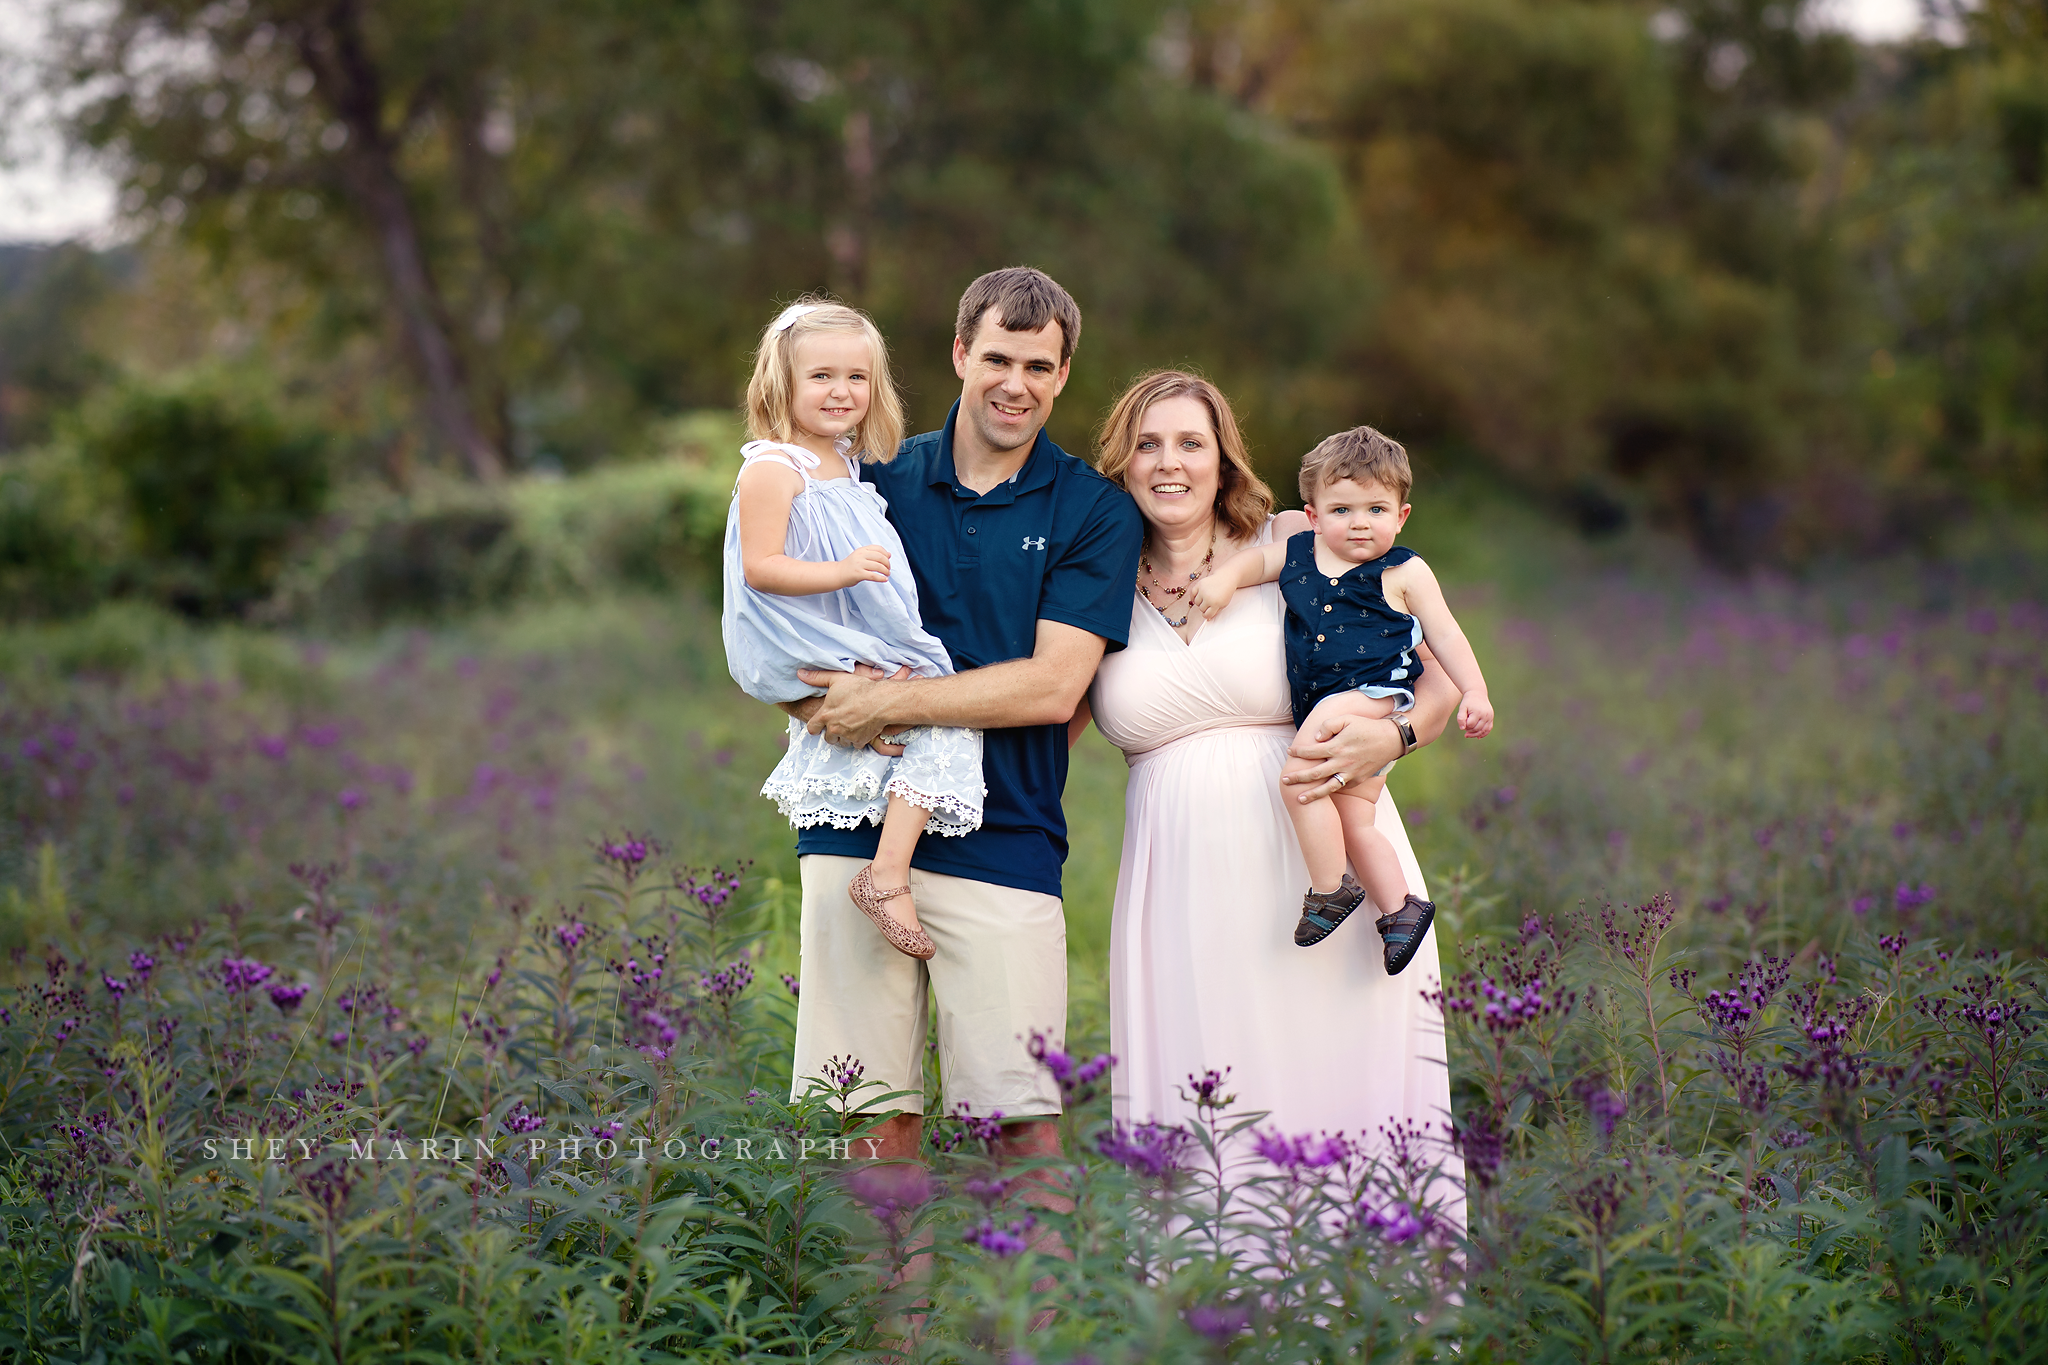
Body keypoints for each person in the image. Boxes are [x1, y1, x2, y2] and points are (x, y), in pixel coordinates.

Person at [781, 268, 1144, 1170]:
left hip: (1009, 831)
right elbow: (787, 630)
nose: (1014, 383)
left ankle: (1023, 1319)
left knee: (1022, 1123)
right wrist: (816, 699)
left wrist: (886, 702)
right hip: (854, 830)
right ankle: (893, 1320)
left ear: (1063, 375)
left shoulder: (1094, 511)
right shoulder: (873, 483)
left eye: (1038, 365)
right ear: (958, 355)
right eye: (996, 358)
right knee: (871, 1117)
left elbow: (1055, 688)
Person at [1075, 370, 1464, 1193]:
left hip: (1321, 867)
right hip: (1179, 889)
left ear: (1225, 461)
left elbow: (1437, 684)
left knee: (1341, 1101)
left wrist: (1388, 737)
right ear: (1121, 462)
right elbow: (1046, 717)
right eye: (1148, 444)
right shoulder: (1093, 579)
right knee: (1208, 1118)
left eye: (1192, 443)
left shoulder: (1298, 541)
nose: (1169, 463)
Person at [721, 298, 986, 961]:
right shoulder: (773, 468)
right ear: (782, 384)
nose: (842, 392)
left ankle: (885, 861)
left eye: (857, 378)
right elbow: (761, 567)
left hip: (837, 629)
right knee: (942, 705)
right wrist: (842, 571)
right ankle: (885, 876)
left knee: (930, 707)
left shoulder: (845, 463)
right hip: (797, 633)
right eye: (822, 377)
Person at [1188, 425, 1493, 971]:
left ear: (1401, 515)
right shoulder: (1300, 553)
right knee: (1356, 823)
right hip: (1329, 712)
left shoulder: (1402, 571)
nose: (1359, 524)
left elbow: (1445, 634)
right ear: (1313, 515)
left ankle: (1330, 888)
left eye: (1376, 509)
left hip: (1373, 697)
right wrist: (1224, 580)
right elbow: (1256, 564)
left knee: (1298, 779)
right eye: (1343, 510)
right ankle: (1400, 909)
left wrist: (1475, 691)